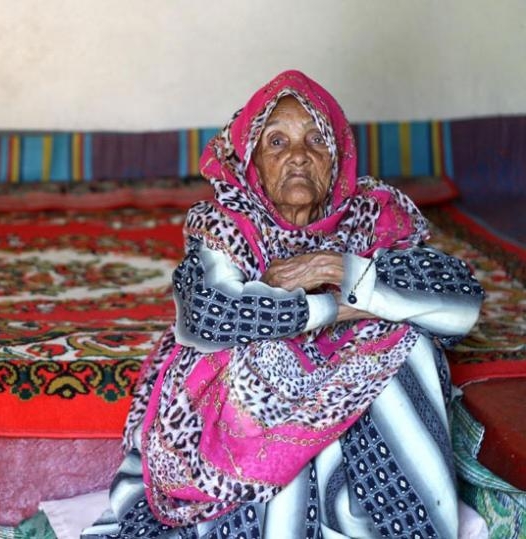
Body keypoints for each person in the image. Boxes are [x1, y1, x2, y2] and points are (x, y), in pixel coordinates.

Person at [82, 70, 484, 538]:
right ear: (253, 162)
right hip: (228, 428)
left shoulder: (372, 214)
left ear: (337, 159)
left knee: (410, 344)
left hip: (343, 431)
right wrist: (342, 309)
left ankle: (398, 521)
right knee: (269, 355)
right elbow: (211, 315)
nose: (298, 156)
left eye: (316, 140)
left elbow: (458, 303)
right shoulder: (227, 220)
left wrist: (337, 268)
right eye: (277, 142)